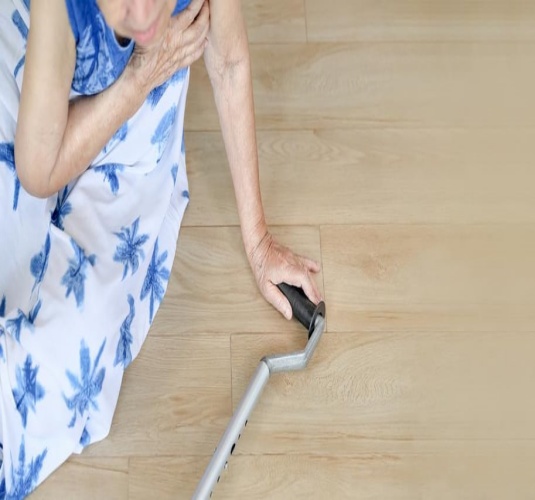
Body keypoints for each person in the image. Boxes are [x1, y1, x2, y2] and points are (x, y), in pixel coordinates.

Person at [0, 0, 322, 496]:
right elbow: (39, 171)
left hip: (136, 124)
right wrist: (139, 75)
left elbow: (230, 62)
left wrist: (259, 242)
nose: (149, 13)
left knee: (72, 348)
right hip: (30, 75)